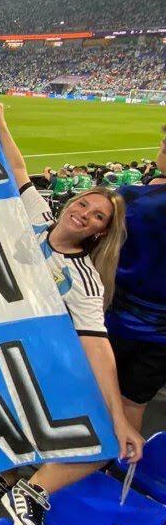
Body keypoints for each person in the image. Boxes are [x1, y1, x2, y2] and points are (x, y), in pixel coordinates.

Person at [0, 100, 143, 525]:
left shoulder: (84, 281)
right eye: (83, 204)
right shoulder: (36, 218)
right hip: (1, 348)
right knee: (11, 415)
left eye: (97, 215)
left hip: (40, 365)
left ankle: (31, 491)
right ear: (69, 204)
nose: (84, 213)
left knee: (100, 434)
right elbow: (19, 167)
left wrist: (119, 417)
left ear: (99, 232)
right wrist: (1, 122)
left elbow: (97, 344)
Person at [104, 128, 166, 433]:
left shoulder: (134, 199)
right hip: (162, 338)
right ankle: (120, 469)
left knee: (98, 393)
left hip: (120, 319)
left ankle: (82, 465)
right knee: (133, 404)